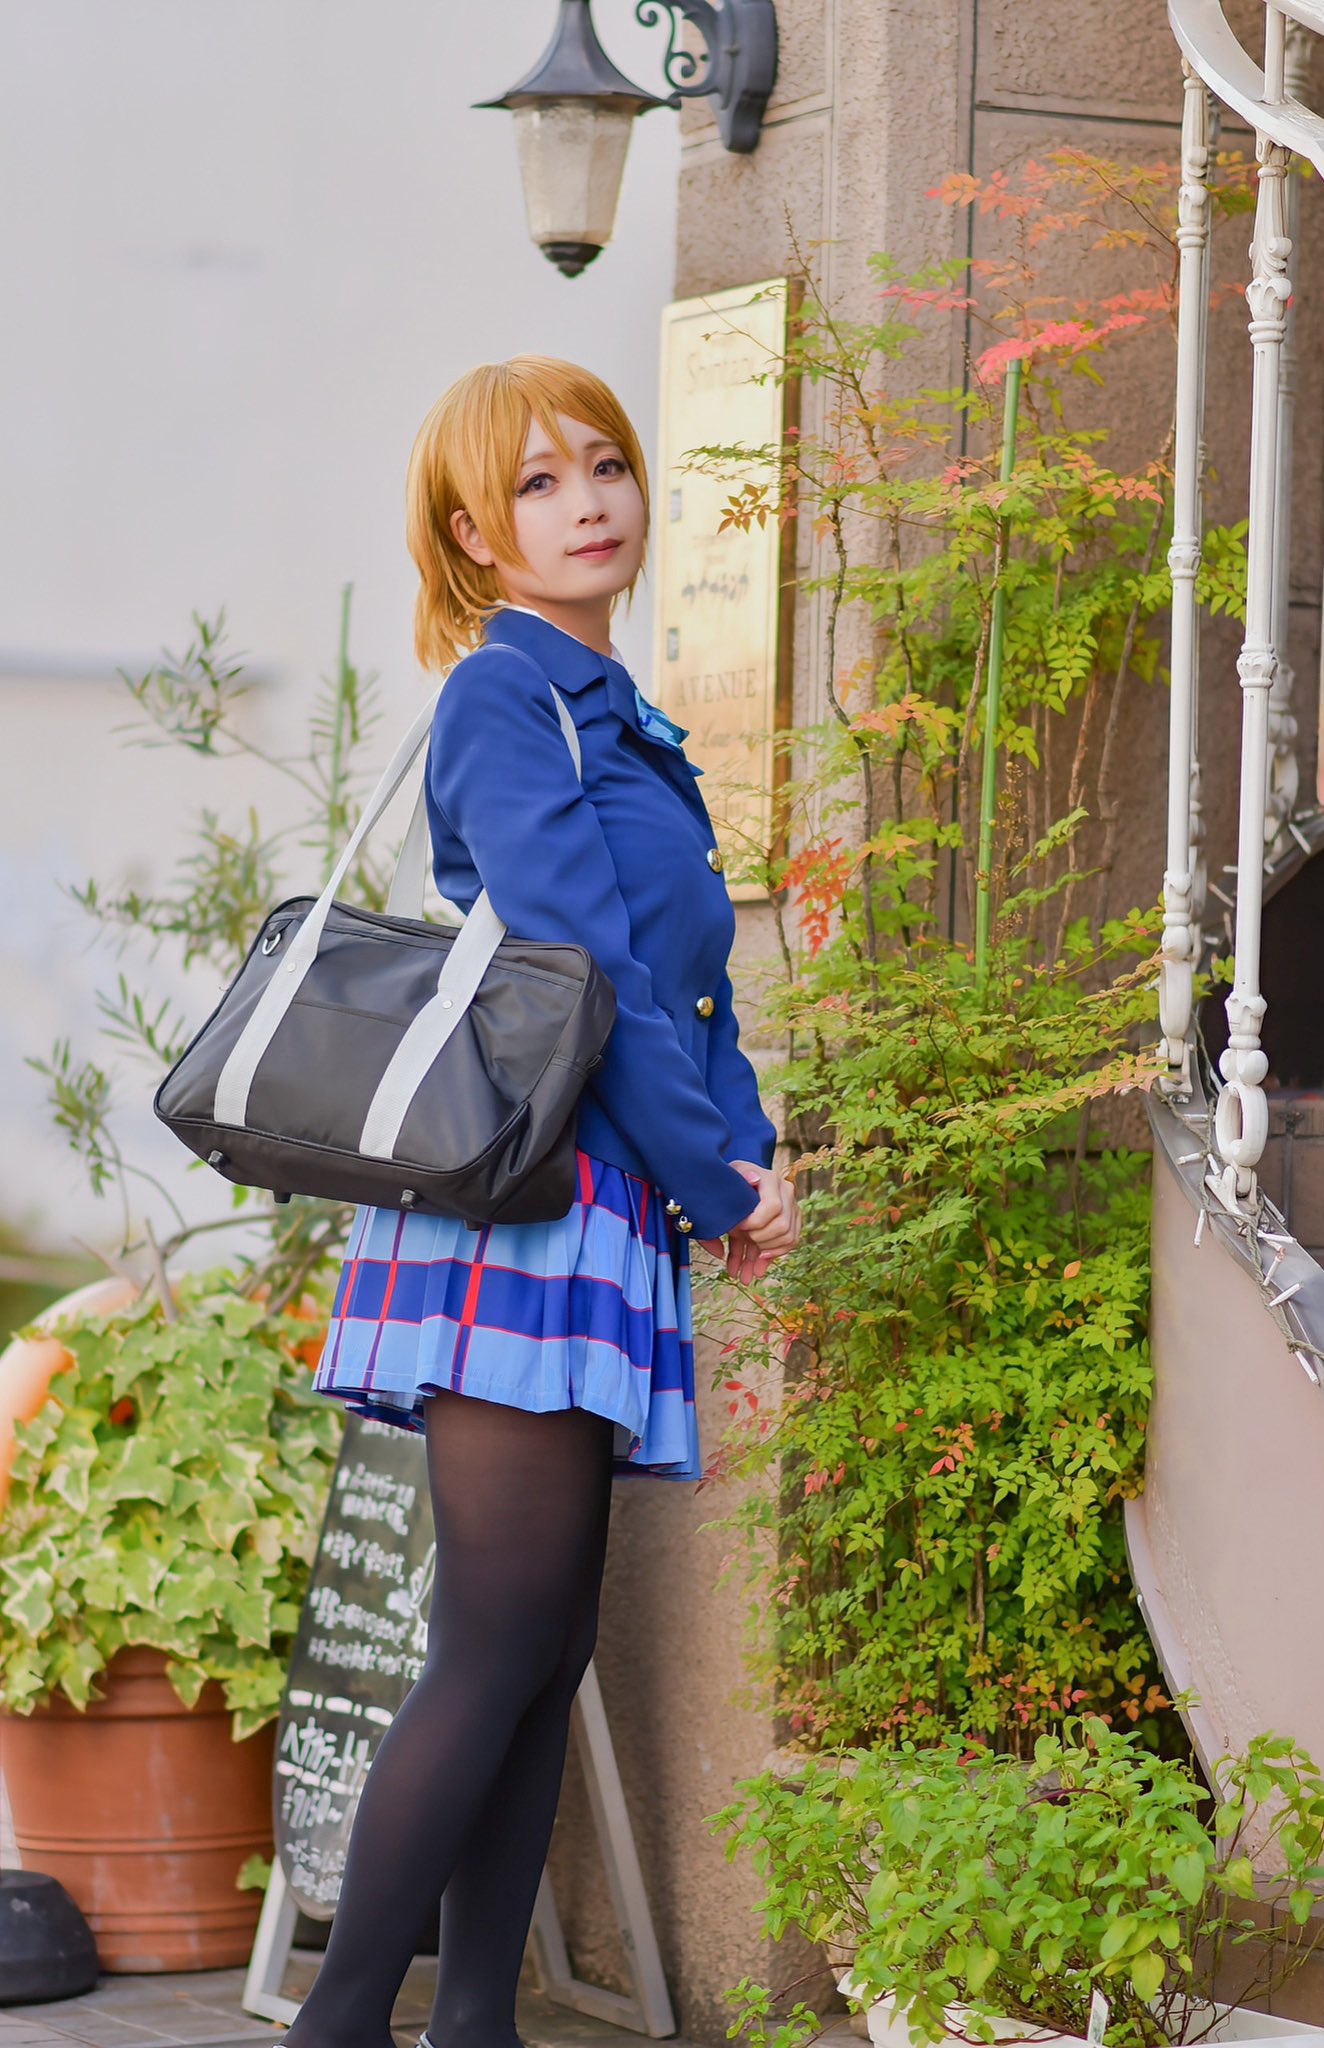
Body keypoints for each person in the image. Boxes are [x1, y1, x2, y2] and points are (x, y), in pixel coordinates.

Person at [283, 354, 800, 2048]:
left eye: (606, 466)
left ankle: (475, 2027)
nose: (588, 503)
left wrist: (745, 1153)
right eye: (538, 483)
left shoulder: (617, 711)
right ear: (472, 534)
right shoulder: (505, 697)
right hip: (521, 1211)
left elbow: (685, 981)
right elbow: (584, 960)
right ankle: (345, 2025)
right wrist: (716, 1175)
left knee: (540, 1646)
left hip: (596, 1210)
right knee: (496, 1647)